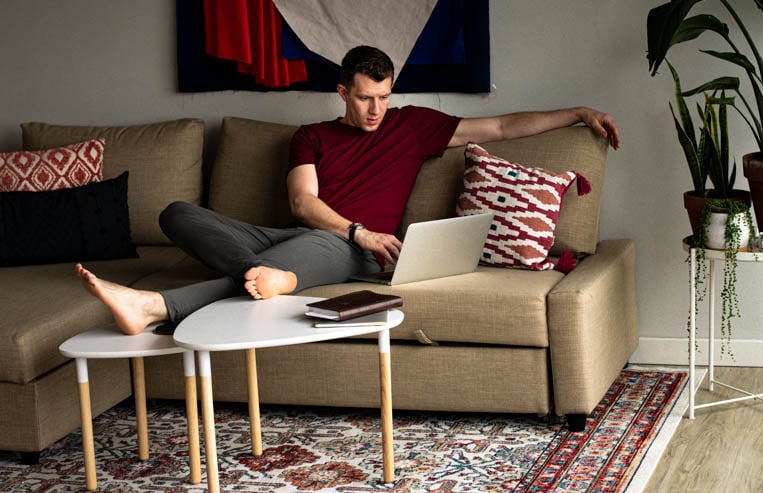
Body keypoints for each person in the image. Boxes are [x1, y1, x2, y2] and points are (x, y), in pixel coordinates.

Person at [76, 45, 620, 335]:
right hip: (312, 235)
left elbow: (500, 128)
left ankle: (154, 305)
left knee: (311, 250)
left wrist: (578, 112)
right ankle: (265, 277)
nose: (376, 109)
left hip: (349, 256)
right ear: (342, 92)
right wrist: (356, 230)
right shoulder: (311, 136)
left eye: (383, 96)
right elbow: (302, 204)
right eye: (364, 98)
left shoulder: (412, 126)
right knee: (177, 213)